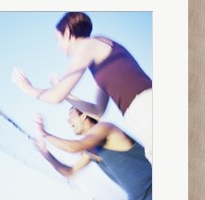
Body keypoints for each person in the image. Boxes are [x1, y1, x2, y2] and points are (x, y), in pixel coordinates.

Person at [12, 12, 152, 164]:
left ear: (67, 33)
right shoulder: (98, 60)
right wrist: (66, 94)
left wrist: (28, 88)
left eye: (57, 40)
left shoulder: (88, 45)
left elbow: (55, 97)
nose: (58, 46)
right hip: (138, 112)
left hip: (145, 106)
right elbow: (98, 111)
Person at [34, 108, 152, 200]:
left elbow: (75, 147)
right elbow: (68, 171)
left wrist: (44, 133)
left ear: (84, 116)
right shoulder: (90, 150)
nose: (68, 121)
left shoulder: (105, 128)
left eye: (71, 115)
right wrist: (45, 152)